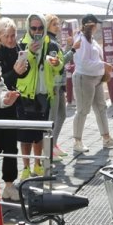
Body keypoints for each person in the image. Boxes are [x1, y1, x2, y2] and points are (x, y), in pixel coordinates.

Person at [15, 13, 63, 180]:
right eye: (33, 28)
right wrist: (29, 52)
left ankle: (38, 165)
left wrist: (57, 64)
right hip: (25, 95)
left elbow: (60, 66)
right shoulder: (22, 45)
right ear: (28, 28)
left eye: (40, 28)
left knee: (39, 134)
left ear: (44, 27)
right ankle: (26, 167)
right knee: (25, 136)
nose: (37, 31)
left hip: (44, 95)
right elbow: (18, 68)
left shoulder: (52, 45)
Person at [0, 18, 27, 201]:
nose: (11, 39)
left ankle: (9, 185)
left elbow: (22, 72)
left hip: (11, 106)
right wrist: (16, 73)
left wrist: (24, 66)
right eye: (7, 36)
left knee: (10, 148)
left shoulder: (16, 49)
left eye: (13, 35)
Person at [72, 14, 113, 153]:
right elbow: (84, 63)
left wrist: (102, 68)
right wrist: (104, 65)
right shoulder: (81, 39)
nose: (97, 27)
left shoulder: (90, 40)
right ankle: (77, 141)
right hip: (84, 78)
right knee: (82, 110)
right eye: (96, 24)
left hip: (95, 79)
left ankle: (106, 138)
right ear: (90, 25)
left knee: (101, 107)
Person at [44, 14, 72, 158]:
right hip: (54, 84)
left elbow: (60, 60)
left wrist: (69, 47)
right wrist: (72, 50)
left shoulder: (54, 40)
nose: (58, 26)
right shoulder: (50, 42)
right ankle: (49, 148)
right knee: (53, 118)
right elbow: (58, 65)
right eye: (55, 24)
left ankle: (53, 144)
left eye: (59, 24)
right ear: (48, 25)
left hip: (58, 83)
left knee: (62, 115)